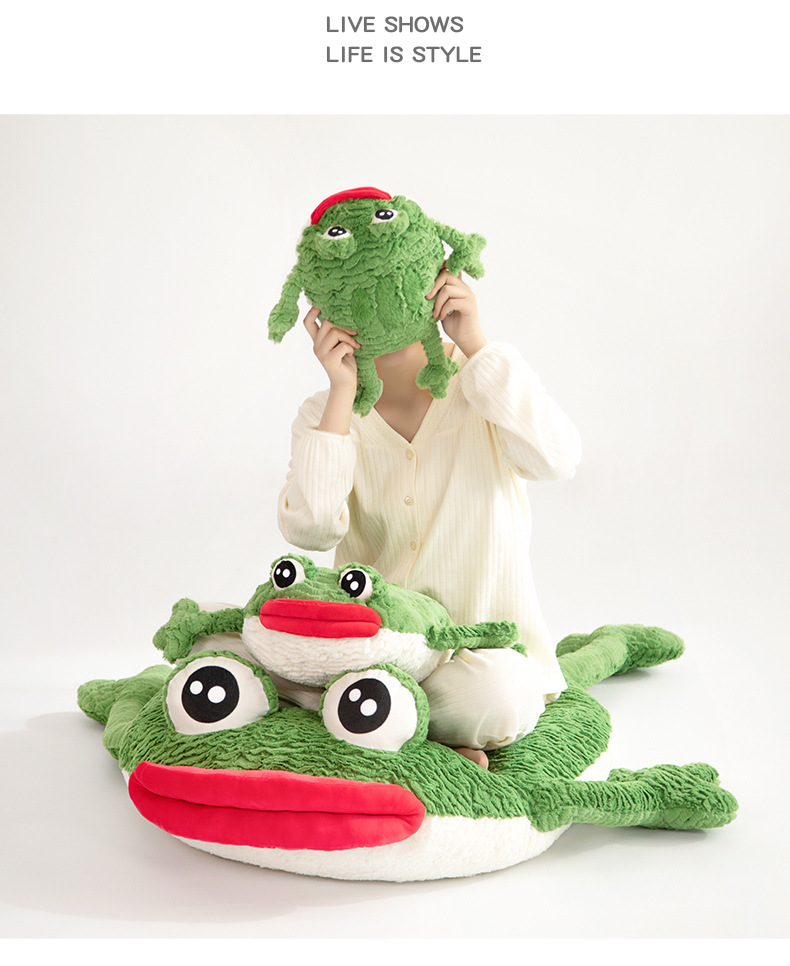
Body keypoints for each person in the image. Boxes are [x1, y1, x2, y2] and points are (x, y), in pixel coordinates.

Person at [277, 265, 582, 767]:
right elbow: (311, 530)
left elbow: (558, 459)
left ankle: (361, 716)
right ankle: (385, 717)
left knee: (498, 695)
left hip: (477, 654)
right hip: (373, 650)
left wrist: (476, 343)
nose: (380, 307)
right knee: (227, 638)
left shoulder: (484, 382)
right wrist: (342, 392)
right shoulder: (324, 413)